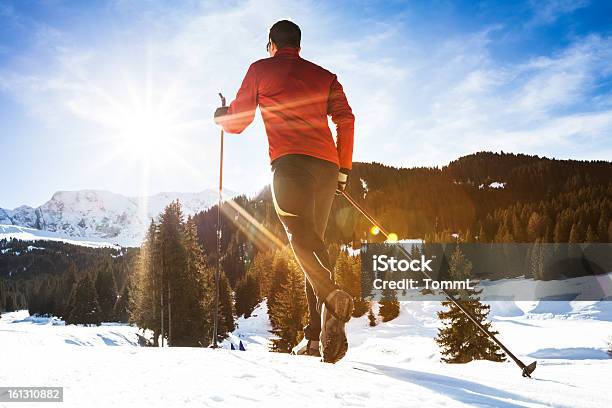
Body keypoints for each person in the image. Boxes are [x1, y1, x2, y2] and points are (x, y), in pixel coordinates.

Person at [213, 20, 355, 363]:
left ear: (272, 44)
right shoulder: (325, 76)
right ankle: (314, 340)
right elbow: (346, 119)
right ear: (299, 47)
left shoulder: (261, 69)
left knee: (299, 238)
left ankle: (332, 295)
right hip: (326, 168)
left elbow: (239, 121)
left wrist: (221, 116)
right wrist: (343, 170)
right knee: (313, 247)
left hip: (290, 166)